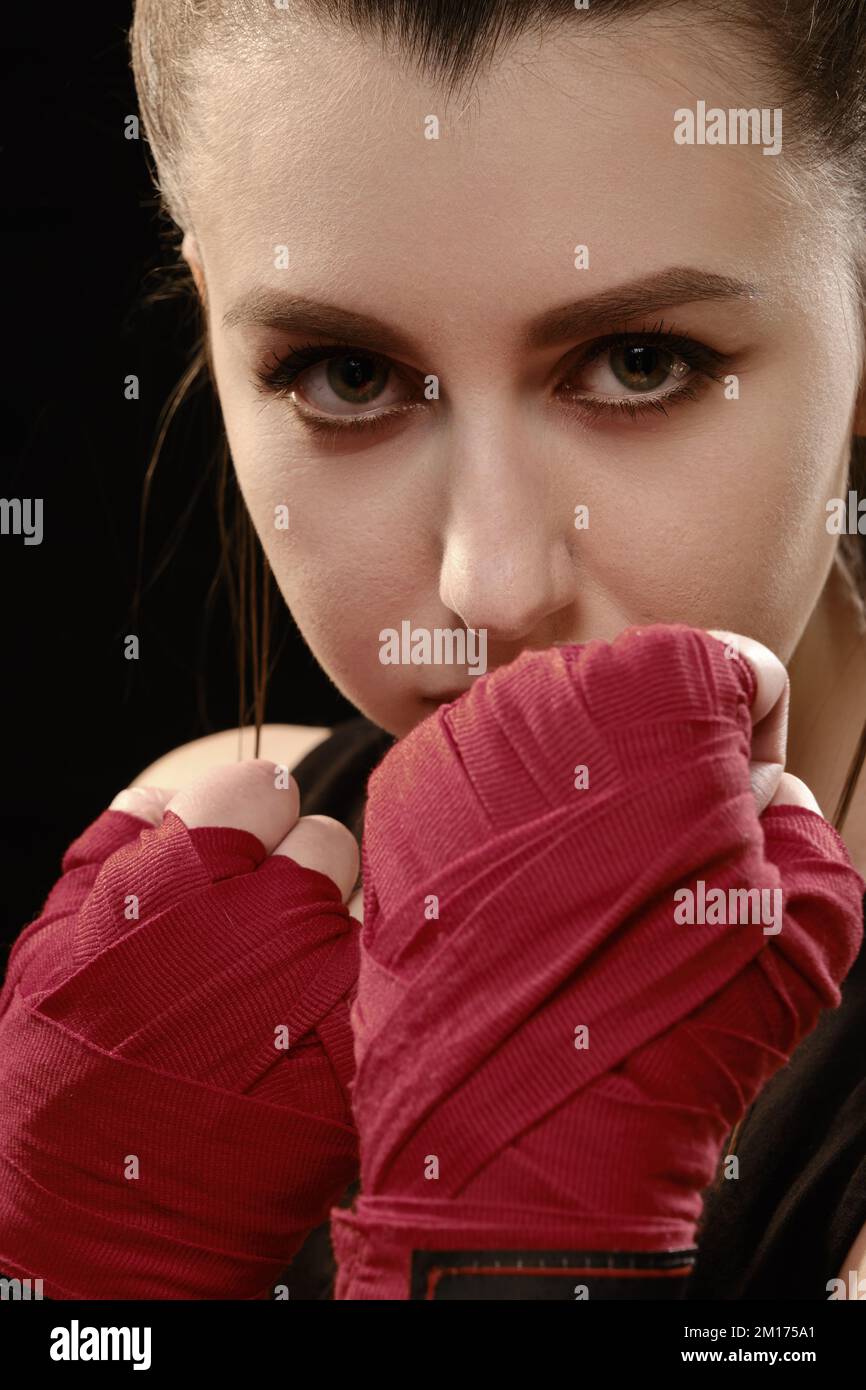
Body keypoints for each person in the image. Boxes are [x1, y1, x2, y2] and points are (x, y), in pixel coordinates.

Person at [1, 0, 865, 1299]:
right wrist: (73, 1294)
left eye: (639, 362)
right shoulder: (221, 855)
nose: (493, 583)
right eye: (345, 374)